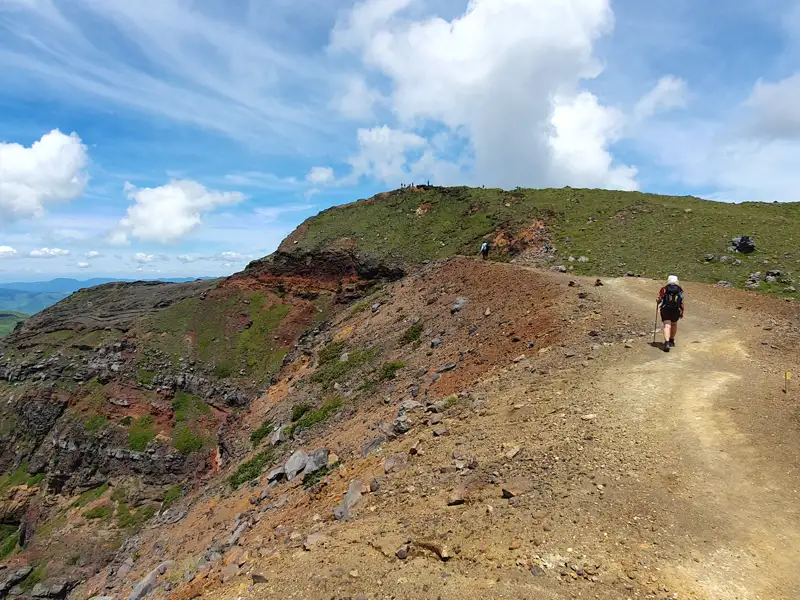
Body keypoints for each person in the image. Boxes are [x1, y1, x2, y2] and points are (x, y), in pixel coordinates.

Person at [657, 275, 684, 352]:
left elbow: (660, 298)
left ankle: (666, 342)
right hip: (676, 310)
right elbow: (681, 301)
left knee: (667, 325)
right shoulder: (679, 289)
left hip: (666, 309)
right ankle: (672, 340)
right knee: (674, 324)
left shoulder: (664, 289)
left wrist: (657, 301)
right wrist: (682, 311)